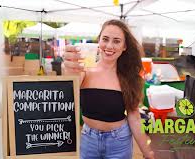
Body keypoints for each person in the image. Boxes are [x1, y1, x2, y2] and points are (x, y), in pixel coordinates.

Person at [63, 19, 155, 159]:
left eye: (117, 41)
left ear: (124, 47)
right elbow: (67, 95)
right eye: (105, 39)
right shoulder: (84, 71)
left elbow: (134, 118)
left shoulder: (130, 77)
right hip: (88, 141)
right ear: (98, 41)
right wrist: (68, 68)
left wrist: (148, 153)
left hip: (119, 142)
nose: (109, 46)